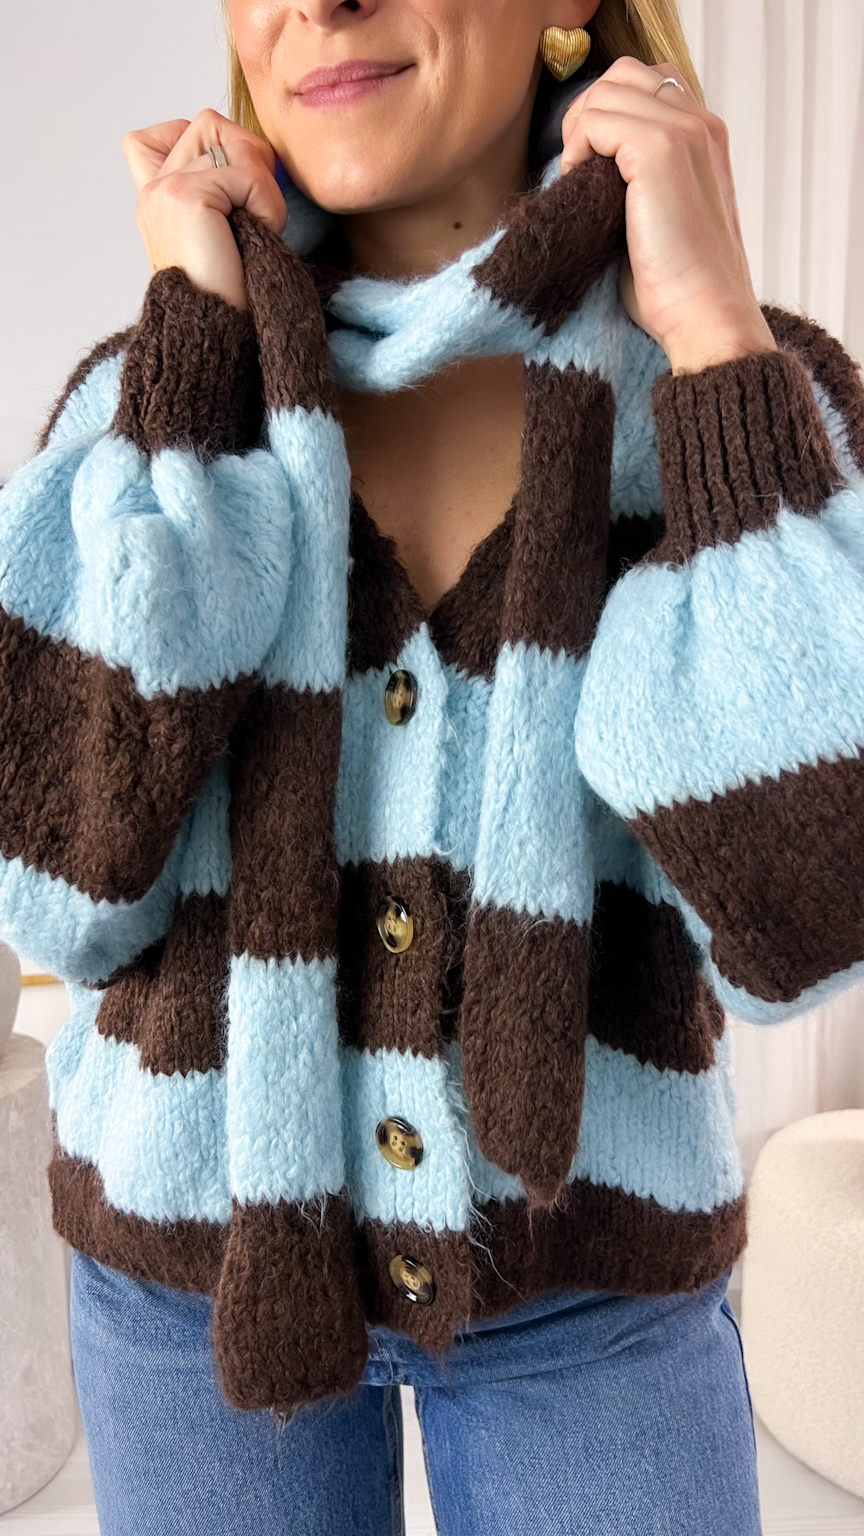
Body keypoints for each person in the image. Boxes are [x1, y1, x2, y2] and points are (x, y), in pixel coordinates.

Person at [4, 0, 864, 1530]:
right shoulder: (142, 411)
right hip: (193, 1287)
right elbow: (54, 887)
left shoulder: (738, 408)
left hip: (593, 1281)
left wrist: (715, 345)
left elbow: (813, 910)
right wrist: (191, 368)